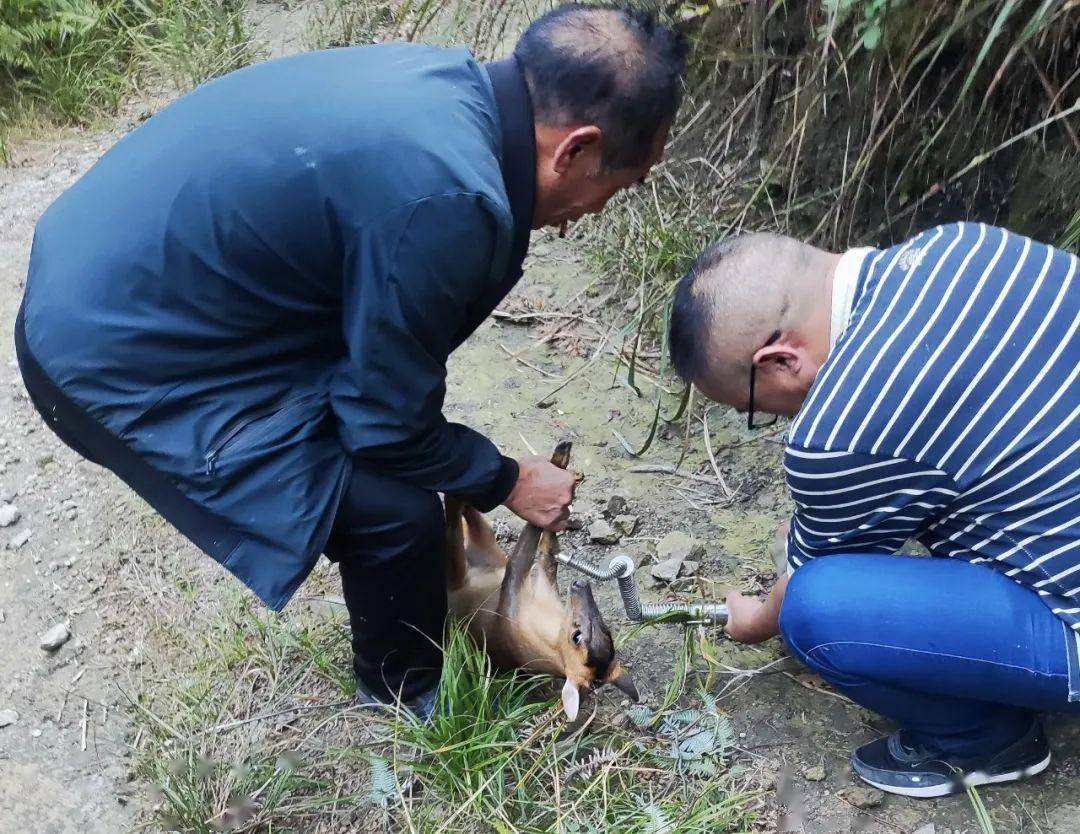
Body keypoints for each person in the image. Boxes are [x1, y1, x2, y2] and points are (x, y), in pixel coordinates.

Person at [16, 4, 686, 717]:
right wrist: (505, 478)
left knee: (386, 448)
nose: (596, 210)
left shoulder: (447, 89)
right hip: (106, 355)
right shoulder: (451, 200)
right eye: (618, 187)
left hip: (106, 279)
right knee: (392, 513)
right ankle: (406, 694)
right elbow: (385, 429)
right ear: (575, 149)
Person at [668, 223, 1080, 797]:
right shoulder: (962, 244)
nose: (780, 420)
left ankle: (984, 741)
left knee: (816, 610)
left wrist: (755, 619)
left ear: (782, 361)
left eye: (755, 408)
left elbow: (807, 580)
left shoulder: (839, 426)